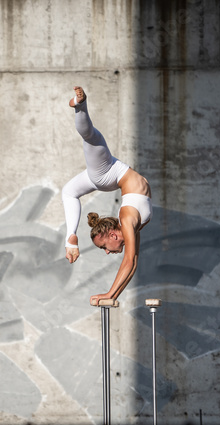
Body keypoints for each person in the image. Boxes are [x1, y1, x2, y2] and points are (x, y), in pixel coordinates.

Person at [60, 86, 153, 306]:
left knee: (91, 137)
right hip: (110, 176)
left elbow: (128, 261)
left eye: (103, 247)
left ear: (113, 235)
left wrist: (110, 294)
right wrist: (112, 295)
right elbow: (133, 264)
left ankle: (80, 106)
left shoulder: (127, 218)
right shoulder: (131, 225)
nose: (106, 252)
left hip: (107, 174)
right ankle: (70, 238)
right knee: (69, 192)